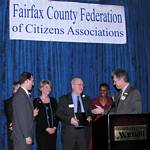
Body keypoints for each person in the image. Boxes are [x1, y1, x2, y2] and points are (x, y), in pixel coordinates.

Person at [56, 78, 92, 150]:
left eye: (82, 85)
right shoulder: (64, 99)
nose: (81, 87)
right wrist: (70, 120)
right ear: (72, 86)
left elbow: (90, 113)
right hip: (69, 134)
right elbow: (58, 113)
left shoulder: (87, 99)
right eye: (79, 85)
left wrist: (90, 117)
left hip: (83, 134)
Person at [12, 72, 35, 150]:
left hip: (23, 135)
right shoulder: (20, 96)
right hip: (22, 136)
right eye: (32, 81)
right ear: (27, 81)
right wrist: (27, 135)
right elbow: (22, 117)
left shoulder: (23, 94)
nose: (33, 83)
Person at [33, 80, 58, 150]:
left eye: (50, 87)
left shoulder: (53, 100)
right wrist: (46, 128)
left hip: (53, 132)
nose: (49, 89)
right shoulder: (36, 101)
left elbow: (57, 115)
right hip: (41, 132)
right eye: (46, 87)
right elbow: (37, 118)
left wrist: (55, 127)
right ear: (41, 88)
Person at [88, 83, 113, 150]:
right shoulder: (93, 101)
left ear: (108, 91)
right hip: (95, 129)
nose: (102, 92)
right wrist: (90, 116)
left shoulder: (112, 102)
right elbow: (89, 114)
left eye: (105, 90)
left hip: (107, 129)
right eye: (101, 90)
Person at [4, 81, 20, 150]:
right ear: (14, 90)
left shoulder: (24, 101)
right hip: (14, 132)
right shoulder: (9, 102)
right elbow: (11, 117)